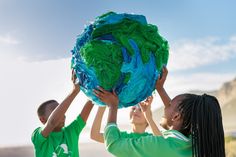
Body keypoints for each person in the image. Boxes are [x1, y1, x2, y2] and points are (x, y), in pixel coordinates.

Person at [95, 67, 225, 157]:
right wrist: (160, 89)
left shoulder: (156, 145)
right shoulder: (193, 143)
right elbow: (180, 112)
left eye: (169, 104)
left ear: (176, 116)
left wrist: (112, 106)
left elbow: (114, 145)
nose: (165, 106)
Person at [31, 71, 94, 157]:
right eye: (55, 111)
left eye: (62, 110)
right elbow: (52, 122)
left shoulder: (71, 132)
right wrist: (74, 92)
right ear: (42, 119)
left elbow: (90, 103)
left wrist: (97, 86)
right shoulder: (38, 137)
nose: (63, 114)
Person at [90, 94, 161, 143]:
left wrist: (149, 117)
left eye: (140, 110)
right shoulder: (122, 137)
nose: (135, 111)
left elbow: (163, 145)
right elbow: (95, 135)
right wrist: (103, 103)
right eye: (133, 108)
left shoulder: (151, 138)